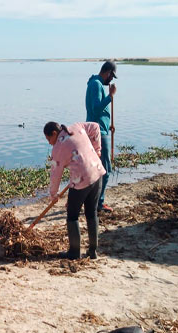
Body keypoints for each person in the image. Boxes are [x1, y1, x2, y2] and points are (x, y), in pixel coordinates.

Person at [43, 121, 106, 259]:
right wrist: (97, 150)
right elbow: (95, 127)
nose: (49, 143)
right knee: (91, 212)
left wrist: (53, 194)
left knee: (72, 215)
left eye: (49, 139)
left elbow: (55, 175)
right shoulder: (77, 127)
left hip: (81, 181)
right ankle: (93, 251)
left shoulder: (58, 148)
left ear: (54, 133)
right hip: (97, 172)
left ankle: (74, 252)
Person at [86, 60, 117, 212]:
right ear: (108, 72)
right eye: (112, 76)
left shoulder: (94, 83)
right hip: (98, 132)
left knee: (93, 168)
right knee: (105, 169)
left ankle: (90, 200)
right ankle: (98, 202)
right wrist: (110, 96)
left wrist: (108, 123)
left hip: (100, 129)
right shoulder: (96, 85)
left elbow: (98, 112)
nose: (111, 80)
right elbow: (96, 109)